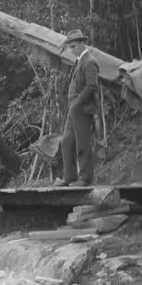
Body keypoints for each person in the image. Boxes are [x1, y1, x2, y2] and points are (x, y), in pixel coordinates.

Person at [57, 29, 100, 187]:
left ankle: (85, 178)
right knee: (67, 141)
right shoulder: (79, 61)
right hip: (73, 108)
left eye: (74, 46)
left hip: (82, 107)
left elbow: (92, 86)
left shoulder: (89, 61)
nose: (72, 50)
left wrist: (77, 103)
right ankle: (69, 177)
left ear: (83, 43)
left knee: (82, 143)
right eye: (70, 47)